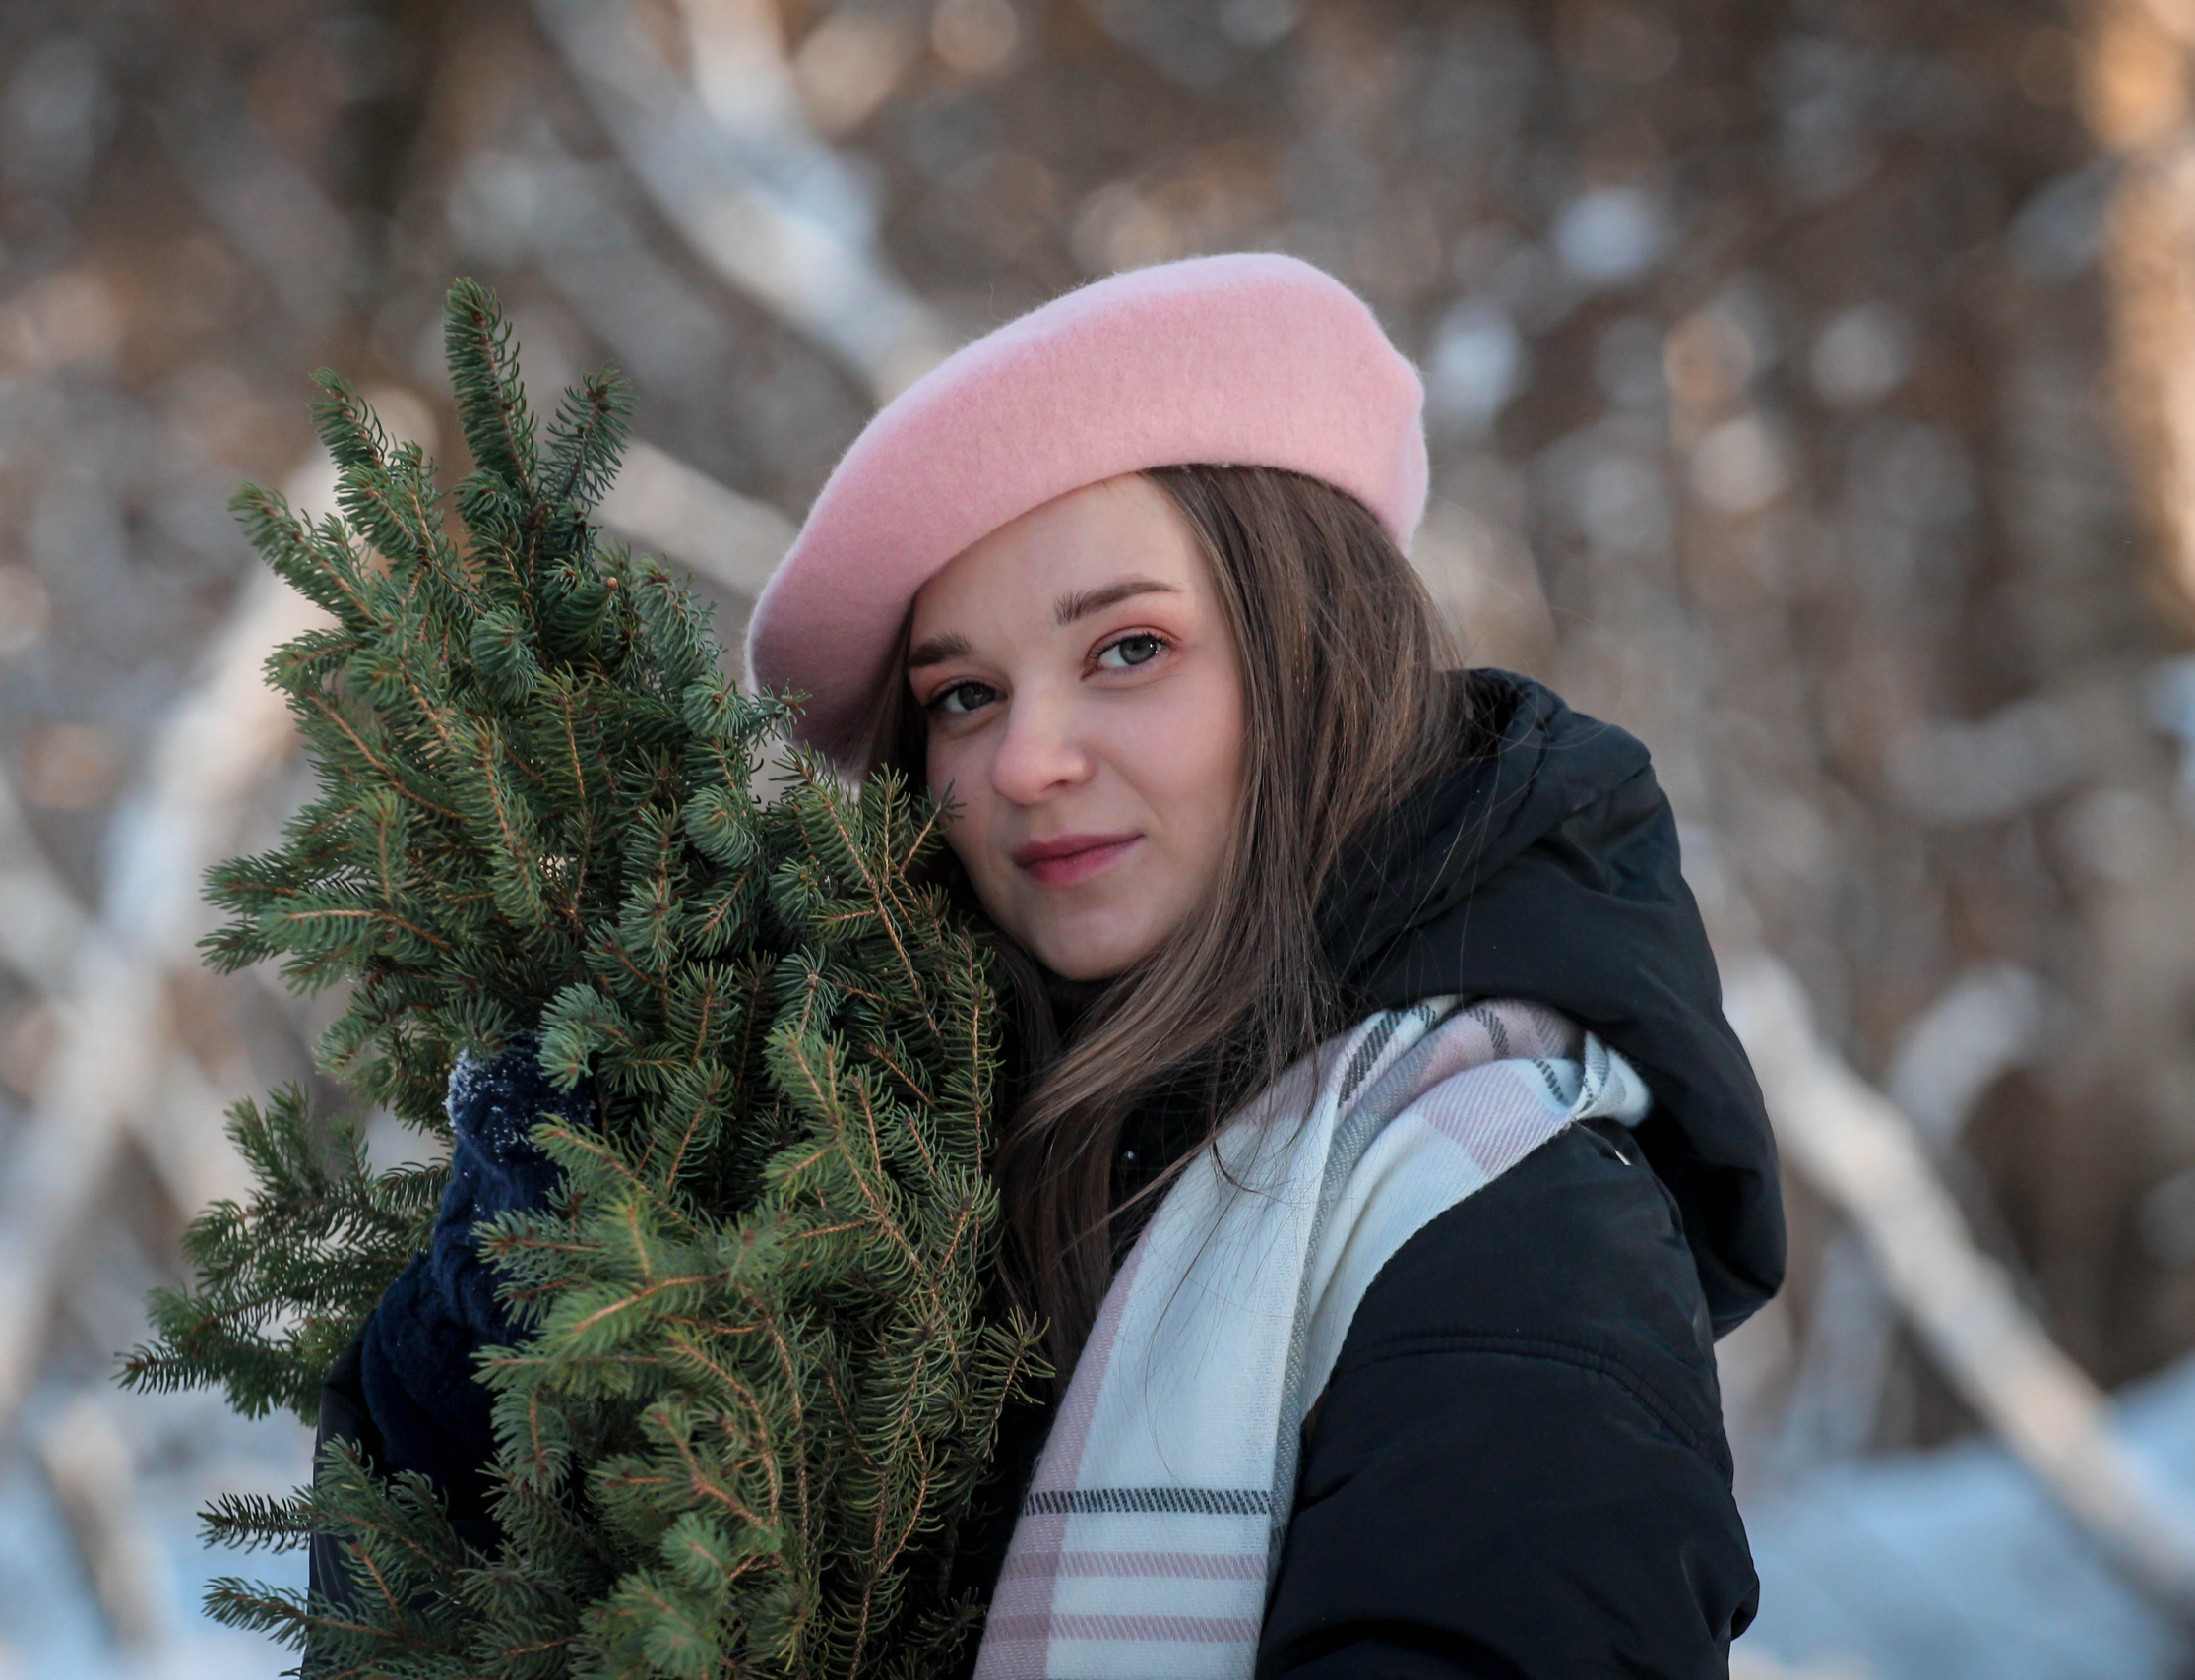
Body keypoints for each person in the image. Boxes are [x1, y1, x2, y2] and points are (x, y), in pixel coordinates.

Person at [315, 252, 1784, 1678]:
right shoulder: (892, 1179)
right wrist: (478, 1344)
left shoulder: (1506, 1211)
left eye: (1128, 649)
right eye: (964, 694)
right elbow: (410, 1633)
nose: (1025, 762)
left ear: (1316, 658)